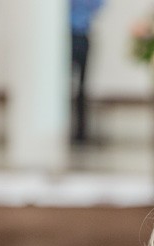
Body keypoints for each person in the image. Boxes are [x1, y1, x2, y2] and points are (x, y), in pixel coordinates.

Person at [70, 0, 103, 143]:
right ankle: (65, 127)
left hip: (82, 35)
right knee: (64, 87)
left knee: (82, 87)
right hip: (65, 36)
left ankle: (80, 131)